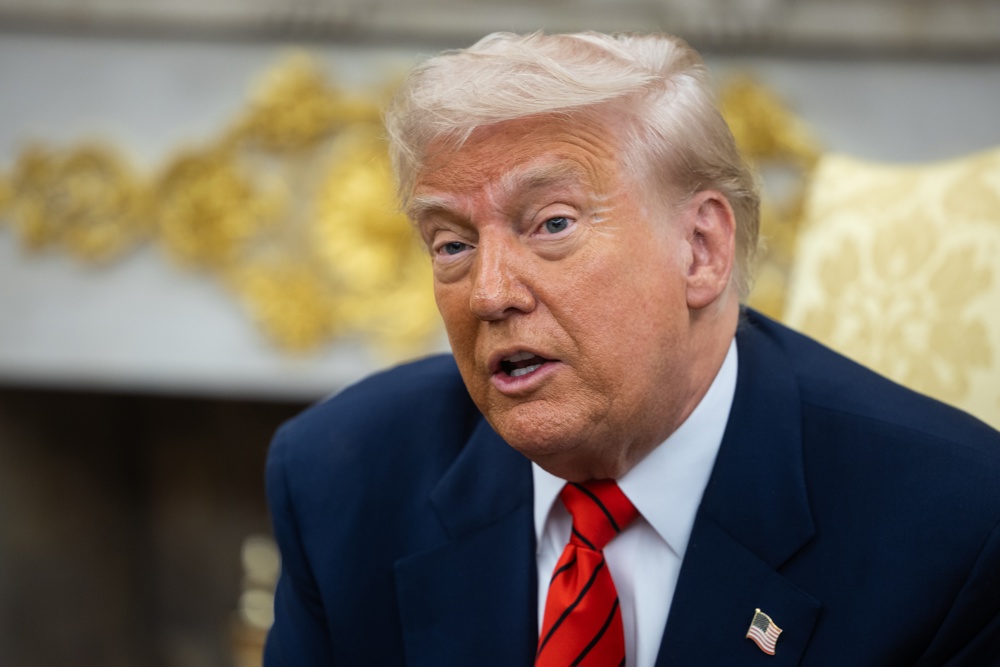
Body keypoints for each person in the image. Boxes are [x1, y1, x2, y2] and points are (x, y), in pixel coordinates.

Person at [263, 31, 1000, 666]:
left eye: (552, 224)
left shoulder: (955, 528)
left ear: (700, 249)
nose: (489, 294)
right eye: (452, 243)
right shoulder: (341, 480)